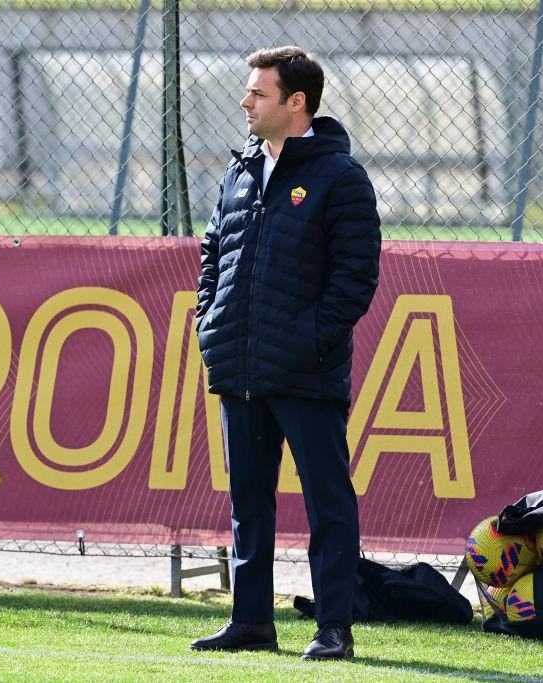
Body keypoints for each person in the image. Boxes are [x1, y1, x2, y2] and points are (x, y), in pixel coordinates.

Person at [190, 46, 381, 660]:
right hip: (240, 365)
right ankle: (251, 622)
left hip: (306, 371)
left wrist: (309, 341)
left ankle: (334, 628)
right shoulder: (240, 169)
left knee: (327, 501)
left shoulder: (341, 178)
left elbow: (355, 278)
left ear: (295, 103)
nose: (245, 102)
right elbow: (213, 253)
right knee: (248, 500)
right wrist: (210, 323)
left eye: (258, 93)